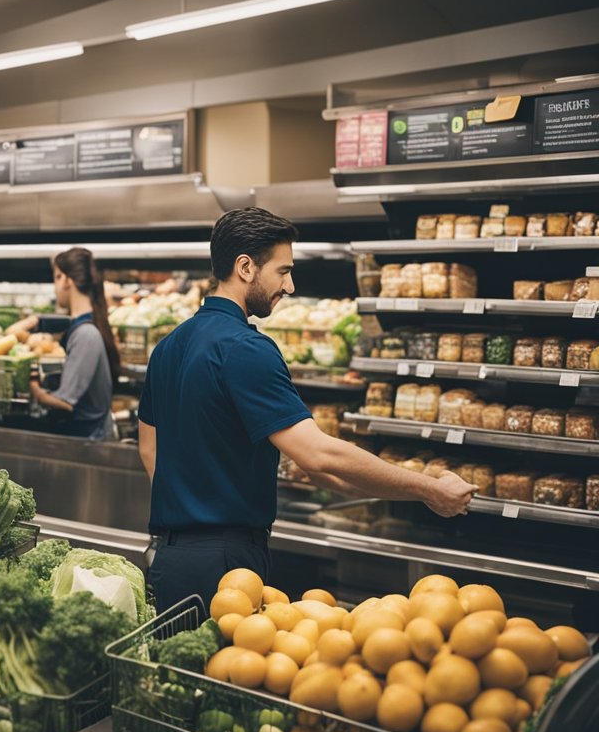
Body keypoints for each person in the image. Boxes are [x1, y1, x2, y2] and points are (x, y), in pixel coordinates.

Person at [137, 209, 476, 613]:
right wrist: (429, 488)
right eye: (283, 271)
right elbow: (318, 454)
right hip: (226, 566)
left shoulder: (169, 346)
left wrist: (191, 504)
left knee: (177, 671)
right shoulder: (246, 348)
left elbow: (149, 448)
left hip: (168, 558)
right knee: (226, 672)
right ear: (245, 267)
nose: (291, 286)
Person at [10, 247, 119, 440]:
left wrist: (32, 385)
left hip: (90, 442)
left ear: (67, 280)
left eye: (56, 277)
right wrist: (36, 321)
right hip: (86, 437)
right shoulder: (83, 325)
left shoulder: (86, 334)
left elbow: (64, 402)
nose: (55, 287)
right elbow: (15, 331)